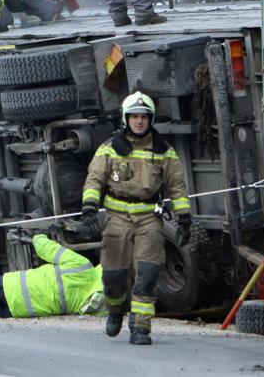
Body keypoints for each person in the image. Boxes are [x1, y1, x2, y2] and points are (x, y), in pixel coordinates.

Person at [79, 91, 191, 345]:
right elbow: (94, 180)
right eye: (134, 117)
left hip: (149, 219)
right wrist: (89, 208)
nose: (139, 121)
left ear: (150, 119)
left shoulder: (164, 152)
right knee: (113, 277)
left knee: (149, 272)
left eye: (143, 117)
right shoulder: (109, 149)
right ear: (126, 119)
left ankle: (140, 327)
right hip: (117, 219)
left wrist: (184, 218)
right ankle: (116, 309)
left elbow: (177, 188)